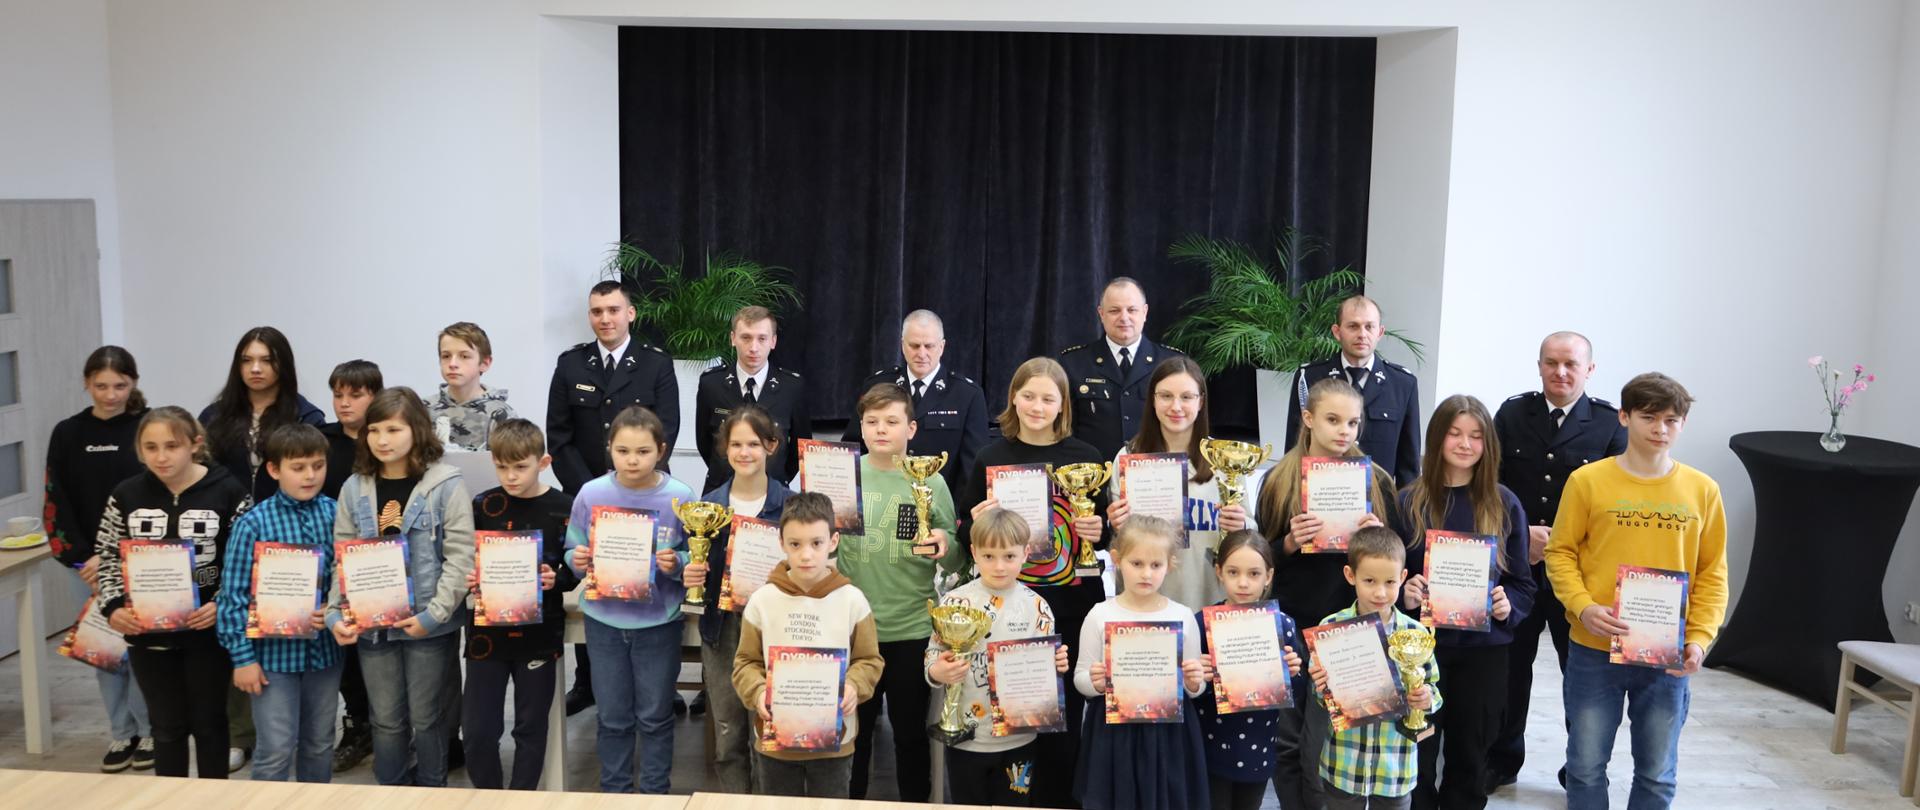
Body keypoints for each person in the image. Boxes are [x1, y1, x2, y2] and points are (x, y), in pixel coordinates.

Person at [1544, 373, 1727, 810]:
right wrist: (1583, 607)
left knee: (1657, 773)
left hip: (1667, 655)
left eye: (1671, 420)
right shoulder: (1587, 481)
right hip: (1594, 649)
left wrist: (1700, 639)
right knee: (1585, 767)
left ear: (1683, 424)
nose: (1660, 429)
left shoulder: (1703, 490)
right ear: (1624, 417)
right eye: (1649, 417)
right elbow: (1560, 553)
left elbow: (1713, 573)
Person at [952, 356, 1105, 807]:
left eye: (1048, 398)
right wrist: (975, 521)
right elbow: (966, 533)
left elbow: (1106, 535)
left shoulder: (1086, 457)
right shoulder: (990, 457)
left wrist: (1099, 530)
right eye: (1029, 396)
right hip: (1006, 607)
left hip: (1071, 603)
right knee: (1013, 708)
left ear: (1063, 405)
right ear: (1013, 399)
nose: (1038, 406)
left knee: (1062, 714)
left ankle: (1059, 801)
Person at [1485, 331, 1627, 791]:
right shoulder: (1512, 414)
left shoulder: (1609, 424)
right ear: (1539, 365)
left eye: (1570, 364)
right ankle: (1502, 760)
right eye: (1551, 363)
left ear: (1590, 369)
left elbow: (1616, 504)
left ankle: (1580, 769)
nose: (1560, 372)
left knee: (1581, 676)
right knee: (1510, 671)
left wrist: (1560, 543)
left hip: (1579, 578)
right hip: (1517, 569)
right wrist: (1519, 535)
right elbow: (1490, 485)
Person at [1255, 376, 1405, 810]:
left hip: (1349, 626)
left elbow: (1394, 553)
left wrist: (1377, 535)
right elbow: (1259, 560)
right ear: (1308, 418)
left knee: (1330, 736)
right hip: (1294, 621)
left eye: (1353, 423)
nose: (1344, 431)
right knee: (1288, 736)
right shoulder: (1279, 480)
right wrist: (1288, 542)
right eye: (1333, 420)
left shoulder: (1375, 481)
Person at [324, 387, 475, 787]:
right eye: (374, 430)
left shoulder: (446, 485)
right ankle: (390, 792)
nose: (382, 439)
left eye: (393, 429)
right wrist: (335, 612)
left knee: (428, 718)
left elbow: (460, 557)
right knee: (386, 720)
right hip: (373, 627)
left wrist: (434, 615)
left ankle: (431, 790)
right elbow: (343, 557)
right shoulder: (354, 488)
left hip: (428, 624)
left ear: (417, 430)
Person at [95, 406, 252, 779]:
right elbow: (108, 556)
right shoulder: (126, 495)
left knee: (210, 724)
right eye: (151, 448)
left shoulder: (229, 491)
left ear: (195, 444)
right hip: (148, 634)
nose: (161, 457)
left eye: (172, 446)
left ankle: (213, 798)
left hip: (208, 633)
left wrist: (222, 603)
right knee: (166, 727)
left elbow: (244, 559)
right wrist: (114, 606)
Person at [1395, 396, 1535, 810]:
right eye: (1454, 433)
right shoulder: (1408, 501)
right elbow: (1386, 578)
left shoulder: (1504, 503)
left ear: (1488, 444)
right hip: (1420, 652)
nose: (1464, 444)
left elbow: (1523, 585)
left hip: (1483, 654)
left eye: (1475, 436)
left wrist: (1508, 604)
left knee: (1471, 756)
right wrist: (1404, 592)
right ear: (1436, 438)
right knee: (1418, 756)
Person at [547, 280, 680, 714]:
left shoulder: (655, 364)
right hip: (588, 497)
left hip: (645, 498)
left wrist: (630, 485)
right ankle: (588, 682)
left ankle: (659, 685)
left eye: (613, 310)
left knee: (645, 584)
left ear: (630, 313)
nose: (605, 318)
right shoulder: (571, 364)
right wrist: (596, 490)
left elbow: (667, 429)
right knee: (596, 587)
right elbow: (559, 436)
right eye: (597, 311)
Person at [201, 327, 325, 772]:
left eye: (266, 360)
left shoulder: (305, 415)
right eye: (247, 360)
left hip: (291, 540)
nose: (255, 369)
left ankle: (280, 736)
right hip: (231, 534)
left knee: (281, 638)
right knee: (237, 628)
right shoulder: (215, 416)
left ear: (282, 365)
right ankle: (240, 734)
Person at [562, 405, 698, 794]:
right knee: (612, 717)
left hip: (658, 623)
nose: (632, 460)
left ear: (661, 451)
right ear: (609, 448)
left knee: (655, 716)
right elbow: (572, 548)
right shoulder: (591, 493)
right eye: (623, 451)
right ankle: (615, 794)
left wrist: (678, 562)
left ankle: (655, 795)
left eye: (643, 451)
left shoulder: (680, 496)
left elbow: (695, 556)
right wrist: (576, 559)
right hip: (604, 622)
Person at [838, 383, 960, 802]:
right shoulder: (844, 475)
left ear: (911, 428)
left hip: (911, 630)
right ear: (860, 427)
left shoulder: (932, 481)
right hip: (855, 632)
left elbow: (957, 558)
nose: (880, 429)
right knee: (853, 735)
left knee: (910, 737)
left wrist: (945, 543)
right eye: (871, 421)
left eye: (891, 421)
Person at [44, 346, 154, 772]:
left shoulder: (148, 427)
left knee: (142, 650)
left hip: (142, 562)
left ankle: (149, 730)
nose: (111, 395)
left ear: (133, 383)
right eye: (101, 386)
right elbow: (57, 499)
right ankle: (121, 731)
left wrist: (125, 558)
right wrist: (82, 559)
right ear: (87, 384)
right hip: (87, 567)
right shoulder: (68, 433)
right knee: (106, 652)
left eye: (120, 385)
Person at [731, 492, 884, 797]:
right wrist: (758, 692)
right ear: (781, 543)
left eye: (816, 543)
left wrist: (854, 685)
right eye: (795, 544)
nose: (806, 555)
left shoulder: (852, 600)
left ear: (833, 541)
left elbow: (869, 660)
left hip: (834, 744)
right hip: (775, 743)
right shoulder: (762, 601)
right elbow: (745, 663)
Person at [215, 424, 341, 783]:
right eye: (298, 468)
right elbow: (233, 597)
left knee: (319, 744)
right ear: (273, 469)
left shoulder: (336, 514)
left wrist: (335, 609)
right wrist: (242, 659)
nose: (310, 475)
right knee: (275, 749)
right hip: (272, 660)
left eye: (318, 465)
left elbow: (345, 579)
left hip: (324, 656)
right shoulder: (252, 524)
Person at [925, 508, 1072, 806]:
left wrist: (1055, 665)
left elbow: (1044, 674)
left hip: (1019, 739)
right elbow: (933, 654)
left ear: (1025, 553)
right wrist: (937, 672)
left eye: (1009, 556)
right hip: (966, 737)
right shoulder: (955, 601)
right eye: (989, 556)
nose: (999, 566)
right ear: (974, 552)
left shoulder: (1038, 607)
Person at [461, 418, 572, 790]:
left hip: (539, 635)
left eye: (521, 467)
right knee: (477, 731)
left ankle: (522, 799)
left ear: (543, 463)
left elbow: (576, 566)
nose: (511, 476)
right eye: (502, 466)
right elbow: (467, 559)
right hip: (486, 636)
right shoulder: (483, 505)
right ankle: (490, 797)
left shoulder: (563, 507)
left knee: (531, 727)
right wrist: (471, 577)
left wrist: (558, 579)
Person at [1072, 515, 1211, 810]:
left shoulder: (1183, 616)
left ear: (1170, 565)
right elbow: (1080, 678)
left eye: (1155, 565)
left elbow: (1195, 687)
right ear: (1117, 560)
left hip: (1169, 734)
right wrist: (1095, 683)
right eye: (1136, 563)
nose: (1146, 573)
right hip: (1113, 733)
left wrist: (1194, 681)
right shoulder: (1099, 614)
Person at [698, 404, 796, 792]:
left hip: (774, 631)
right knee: (728, 731)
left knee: (769, 728)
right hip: (722, 630)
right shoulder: (710, 505)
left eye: (753, 443)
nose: (744, 452)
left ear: (771, 446)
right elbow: (698, 566)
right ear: (724, 448)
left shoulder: (791, 505)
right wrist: (692, 572)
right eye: (736, 444)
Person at [1310, 526, 1442, 810]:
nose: (1380, 592)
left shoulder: (1416, 633)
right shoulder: (1330, 629)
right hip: (1344, 764)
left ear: (1403, 578)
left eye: (1390, 582)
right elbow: (1321, 699)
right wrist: (1322, 688)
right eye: (1369, 580)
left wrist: (1426, 698)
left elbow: (1433, 686)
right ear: (1350, 575)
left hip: (1395, 767)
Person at [1110, 357, 1257, 610]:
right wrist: (1116, 525)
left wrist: (1241, 524)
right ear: (1152, 400)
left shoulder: (1225, 458)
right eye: (1166, 396)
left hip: (1209, 596)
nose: (1176, 406)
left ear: (1201, 402)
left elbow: (1252, 530)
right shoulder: (1129, 458)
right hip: (1147, 603)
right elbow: (1119, 543)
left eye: (1187, 397)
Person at [1192, 530, 1303, 810]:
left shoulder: (1283, 625)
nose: (1243, 583)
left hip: (1259, 747)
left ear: (1269, 576)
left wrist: (1292, 673)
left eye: (1254, 574)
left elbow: (1297, 694)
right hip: (1211, 746)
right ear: (1219, 571)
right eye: (1233, 572)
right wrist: (1199, 680)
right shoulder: (1201, 624)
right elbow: (1191, 695)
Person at [842, 309, 988, 492]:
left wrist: (955, 509)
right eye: (914, 345)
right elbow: (854, 448)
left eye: (929, 346)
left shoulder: (967, 395)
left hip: (938, 499)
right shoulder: (877, 384)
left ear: (941, 347)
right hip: (882, 495)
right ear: (903, 345)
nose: (921, 353)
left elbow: (972, 467)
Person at [1283, 296, 1420, 487]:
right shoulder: (1310, 377)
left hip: (1379, 499)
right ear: (1337, 332)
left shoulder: (1402, 384)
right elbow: (1295, 446)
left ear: (1380, 332)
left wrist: (1404, 504)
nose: (1362, 334)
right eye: (1353, 326)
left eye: (1369, 327)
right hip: (1322, 494)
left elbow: (1408, 465)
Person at [320, 358, 381, 772]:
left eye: (355, 395)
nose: (344, 403)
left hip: (380, 562)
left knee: (381, 651)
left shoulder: (384, 439)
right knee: (346, 650)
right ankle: (358, 724)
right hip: (332, 558)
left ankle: (391, 726)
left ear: (374, 397)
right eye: (338, 394)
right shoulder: (322, 441)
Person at [1059, 278, 1187, 459]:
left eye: (1132, 310)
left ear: (1145, 312)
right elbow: (1064, 427)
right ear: (1101, 314)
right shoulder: (1074, 363)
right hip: (1093, 471)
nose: (1124, 318)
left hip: (1154, 470)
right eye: (1114, 310)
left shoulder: (1171, 363)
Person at [696, 306, 809, 493]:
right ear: (733, 339)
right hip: (721, 489)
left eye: (762, 338)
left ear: (773, 341)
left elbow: (800, 448)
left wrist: (776, 479)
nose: (754, 348)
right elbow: (704, 442)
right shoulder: (711, 384)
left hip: (773, 492)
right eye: (746, 338)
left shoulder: (792, 387)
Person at [430, 322, 518, 451]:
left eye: (464, 356)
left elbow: (513, 461)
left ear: (484, 363)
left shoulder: (501, 414)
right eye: (446, 356)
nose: (452, 364)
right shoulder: (421, 410)